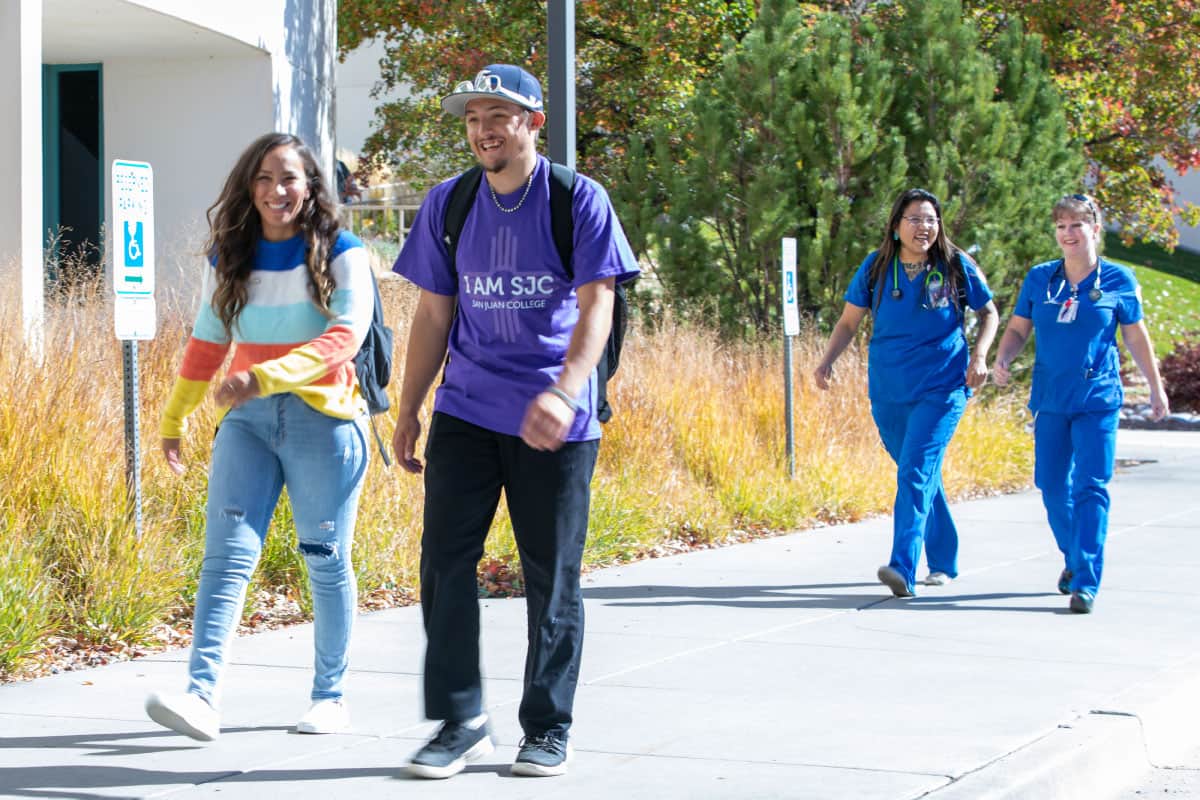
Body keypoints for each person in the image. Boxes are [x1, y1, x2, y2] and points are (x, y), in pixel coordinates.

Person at [390, 64, 639, 779]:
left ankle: (547, 726)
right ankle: (460, 719)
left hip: (556, 419)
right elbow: (434, 312)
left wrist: (565, 390)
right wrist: (408, 408)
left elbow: (599, 305)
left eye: (498, 114)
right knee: (443, 562)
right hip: (465, 410)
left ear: (533, 123)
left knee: (550, 575)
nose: (483, 129)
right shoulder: (449, 203)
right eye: (473, 117)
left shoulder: (577, 200)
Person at [145, 132, 374, 741]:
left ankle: (330, 696)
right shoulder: (229, 257)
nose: (278, 191)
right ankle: (201, 698)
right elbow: (205, 343)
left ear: (311, 186)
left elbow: (344, 337)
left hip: (324, 421)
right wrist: (175, 417)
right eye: (266, 179)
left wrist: (263, 376)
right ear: (250, 187)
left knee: (324, 561)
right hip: (248, 426)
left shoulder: (344, 252)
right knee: (224, 559)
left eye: (290, 178)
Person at [813, 188, 999, 598]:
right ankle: (945, 558)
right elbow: (848, 323)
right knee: (917, 473)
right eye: (914, 219)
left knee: (915, 472)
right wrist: (827, 360)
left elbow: (989, 312)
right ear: (896, 226)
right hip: (890, 388)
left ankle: (903, 566)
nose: (924, 227)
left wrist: (980, 356)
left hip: (943, 386)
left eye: (931, 219)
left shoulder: (955, 264)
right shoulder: (877, 267)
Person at [992, 193, 1168, 614]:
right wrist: (1003, 356)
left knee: (1090, 487)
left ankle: (1086, 581)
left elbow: (1135, 337)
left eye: (1076, 225)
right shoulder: (1040, 279)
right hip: (1051, 398)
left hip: (1098, 399)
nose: (1068, 234)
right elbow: (1018, 329)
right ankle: (1073, 557)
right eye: (1061, 226)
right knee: (1051, 485)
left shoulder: (1118, 280)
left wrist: (1156, 387)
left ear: (1094, 229)